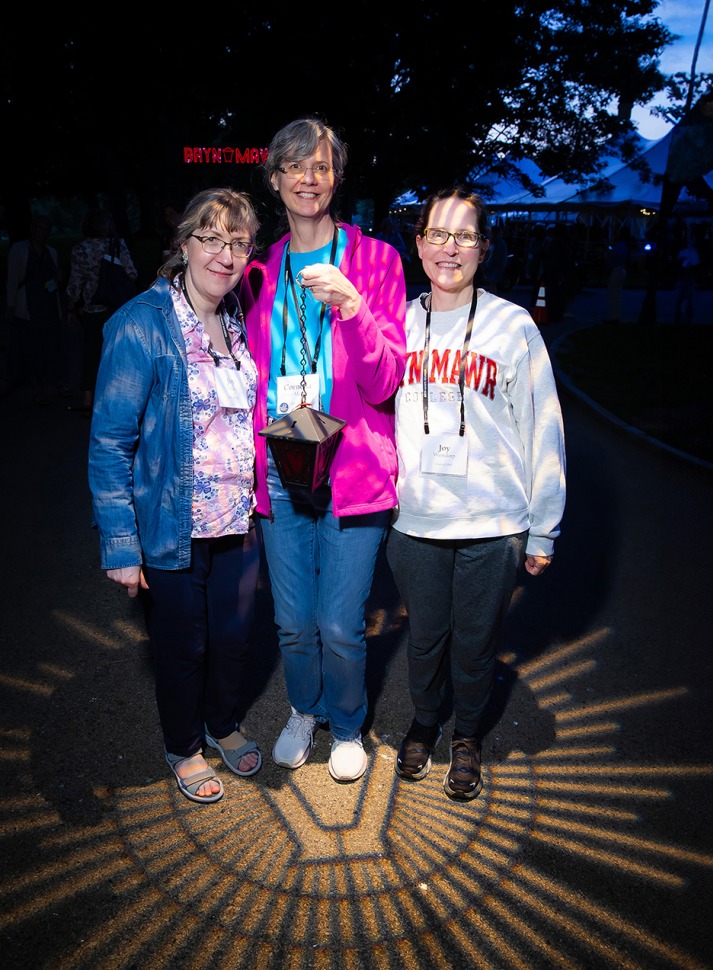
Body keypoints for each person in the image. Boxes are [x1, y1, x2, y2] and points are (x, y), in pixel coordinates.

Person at [239, 116, 407, 783]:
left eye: (321, 166)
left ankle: (345, 724)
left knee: (339, 624)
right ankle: (303, 710)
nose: (308, 178)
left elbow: (386, 379)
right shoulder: (258, 271)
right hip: (282, 461)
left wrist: (354, 309)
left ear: (337, 178)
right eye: (294, 166)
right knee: (291, 623)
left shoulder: (376, 262)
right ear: (275, 179)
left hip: (354, 469)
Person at [386, 186, 566, 802]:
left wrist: (543, 526)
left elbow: (543, 428)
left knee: (476, 641)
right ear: (418, 244)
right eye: (438, 233)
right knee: (426, 635)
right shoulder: (397, 323)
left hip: (493, 521)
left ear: (484, 249)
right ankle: (425, 720)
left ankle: (466, 736)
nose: (450, 248)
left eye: (466, 236)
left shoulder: (512, 325)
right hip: (416, 521)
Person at [88, 188, 262, 805]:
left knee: (234, 639)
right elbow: (111, 442)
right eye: (211, 239)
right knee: (182, 645)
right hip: (172, 523)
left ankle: (221, 723)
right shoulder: (140, 323)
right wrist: (120, 543)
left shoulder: (237, 319)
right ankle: (184, 746)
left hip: (239, 521)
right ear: (183, 243)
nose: (225, 255)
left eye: (238, 243)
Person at [65, 209, 138, 414]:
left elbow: (75, 282)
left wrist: (70, 308)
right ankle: (118, 400)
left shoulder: (81, 249)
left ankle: (88, 399)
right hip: (117, 308)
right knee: (118, 353)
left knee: (91, 353)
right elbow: (132, 273)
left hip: (93, 309)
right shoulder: (117, 244)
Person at [5, 215, 68, 405]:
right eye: (39, 228)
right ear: (32, 230)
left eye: (46, 229)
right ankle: (36, 387)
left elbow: (53, 277)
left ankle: (58, 381)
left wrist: (58, 278)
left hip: (48, 304)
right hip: (29, 304)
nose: (42, 233)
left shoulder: (51, 252)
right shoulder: (20, 250)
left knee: (53, 346)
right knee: (32, 348)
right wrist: (10, 305)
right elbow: (12, 278)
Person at [605, 226, 631, 324]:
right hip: (621, 269)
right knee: (616, 294)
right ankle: (615, 316)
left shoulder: (620, 245)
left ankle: (613, 317)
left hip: (617, 269)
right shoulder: (625, 245)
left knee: (613, 294)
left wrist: (609, 257)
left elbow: (615, 258)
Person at [674, 235, 700, 325]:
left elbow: (695, 266)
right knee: (684, 296)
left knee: (686, 296)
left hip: (687, 276)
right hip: (685, 276)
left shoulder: (691, 252)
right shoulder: (688, 252)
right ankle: (681, 313)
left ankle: (684, 314)